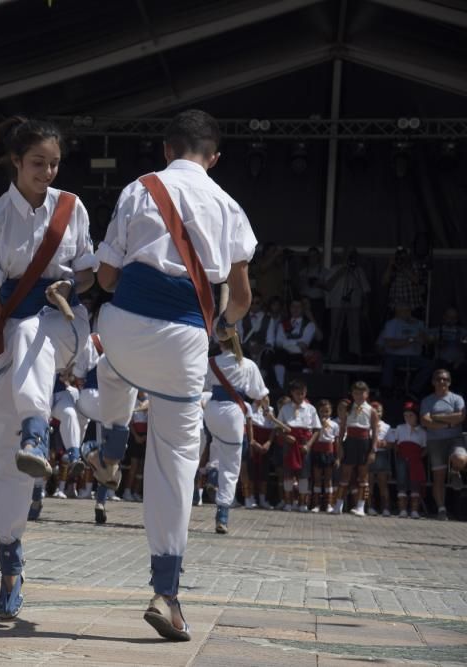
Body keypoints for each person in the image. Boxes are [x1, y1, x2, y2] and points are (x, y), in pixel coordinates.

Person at [92, 110, 255, 641]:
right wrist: (223, 326)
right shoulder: (229, 205)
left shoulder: (138, 190)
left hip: (125, 325)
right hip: (184, 340)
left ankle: (110, 447)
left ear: (166, 149)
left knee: (111, 365)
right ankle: (166, 592)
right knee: (175, 463)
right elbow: (243, 299)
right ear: (215, 158)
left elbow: (108, 275)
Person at [0, 116, 96, 621]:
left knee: (28, 333)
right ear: (16, 161)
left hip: (64, 322)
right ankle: (10, 564)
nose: (48, 172)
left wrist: (70, 288)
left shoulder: (72, 207)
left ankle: (42, 433)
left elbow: (87, 270)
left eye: (54, 163)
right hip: (12, 336)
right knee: (6, 459)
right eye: (38, 163)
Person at [203, 332, 269, 533]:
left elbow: (204, 387)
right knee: (231, 465)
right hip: (232, 414)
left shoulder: (211, 361)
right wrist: (266, 407)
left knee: (216, 445)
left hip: (212, 411)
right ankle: (222, 513)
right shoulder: (247, 364)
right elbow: (259, 393)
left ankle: (213, 475)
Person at [420, 369, 466, 521]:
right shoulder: (427, 400)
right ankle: (441, 509)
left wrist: (437, 418)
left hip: (455, 438)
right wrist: (448, 423)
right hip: (435, 442)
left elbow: (460, 417)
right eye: (438, 379)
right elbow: (425, 421)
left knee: (460, 458)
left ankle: (455, 471)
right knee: (438, 477)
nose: (442, 382)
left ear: (449, 382)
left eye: (445, 379)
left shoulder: (457, 398)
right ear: (433, 382)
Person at [277, 379, 320, 512]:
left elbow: (317, 429)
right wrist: (285, 436)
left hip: (304, 443)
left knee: (304, 474)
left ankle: (302, 504)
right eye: (297, 393)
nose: (300, 396)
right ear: (292, 393)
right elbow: (278, 427)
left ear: (305, 393)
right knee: (288, 473)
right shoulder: (285, 408)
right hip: (289, 442)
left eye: (302, 393)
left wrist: (308, 445)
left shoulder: (311, 409)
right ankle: (288, 503)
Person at [336, 381, 378, 516]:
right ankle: (338, 505)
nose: (358, 396)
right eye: (355, 393)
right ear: (352, 394)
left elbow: (375, 431)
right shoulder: (347, 408)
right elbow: (342, 428)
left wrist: (373, 450)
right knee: (345, 473)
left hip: (364, 442)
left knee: (363, 475)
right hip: (350, 442)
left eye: (361, 393)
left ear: (367, 394)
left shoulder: (372, 410)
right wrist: (340, 446)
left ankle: (361, 506)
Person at [325, 248, 370, 362]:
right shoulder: (335, 268)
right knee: (335, 331)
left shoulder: (359, 270)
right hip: (337, 303)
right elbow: (328, 286)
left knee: (354, 331)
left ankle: (355, 356)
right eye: (347, 254)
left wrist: (366, 306)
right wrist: (342, 271)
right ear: (343, 256)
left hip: (354, 305)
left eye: (351, 254)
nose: (349, 256)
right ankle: (333, 357)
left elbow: (365, 290)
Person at [378, 303, 430, 396]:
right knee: (388, 361)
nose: (406, 313)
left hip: (414, 357)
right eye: (403, 311)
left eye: (408, 311)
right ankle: (387, 390)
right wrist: (411, 340)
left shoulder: (419, 324)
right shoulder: (391, 324)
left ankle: (414, 390)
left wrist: (424, 337)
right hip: (395, 356)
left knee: (429, 365)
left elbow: (426, 342)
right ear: (397, 312)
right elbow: (390, 343)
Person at [389, 402, 427, 518]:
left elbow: (425, 448)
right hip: (401, 459)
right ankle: (402, 510)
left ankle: (414, 510)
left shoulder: (422, 431)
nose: (408, 418)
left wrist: (417, 457)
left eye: (411, 415)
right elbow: (395, 443)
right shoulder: (400, 428)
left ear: (417, 416)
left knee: (415, 483)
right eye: (406, 415)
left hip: (415, 460)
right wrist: (400, 453)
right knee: (401, 482)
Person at [310, 400, 339, 513]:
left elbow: (336, 442)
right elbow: (313, 437)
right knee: (317, 479)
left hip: (329, 452)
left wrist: (337, 457)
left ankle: (329, 504)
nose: (324, 414)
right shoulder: (314, 423)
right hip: (317, 451)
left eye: (327, 411)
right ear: (318, 412)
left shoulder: (335, 425)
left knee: (328, 479)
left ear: (331, 411)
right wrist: (320, 425)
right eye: (322, 411)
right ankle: (316, 504)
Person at [367, 402, 392, 516]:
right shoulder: (366, 425)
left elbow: (391, 444)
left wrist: (383, 444)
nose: (377, 413)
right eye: (375, 410)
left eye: (379, 410)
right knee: (369, 482)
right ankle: (370, 507)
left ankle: (385, 507)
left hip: (381, 455)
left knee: (383, 482)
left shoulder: (386, 426)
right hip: (369, 455)